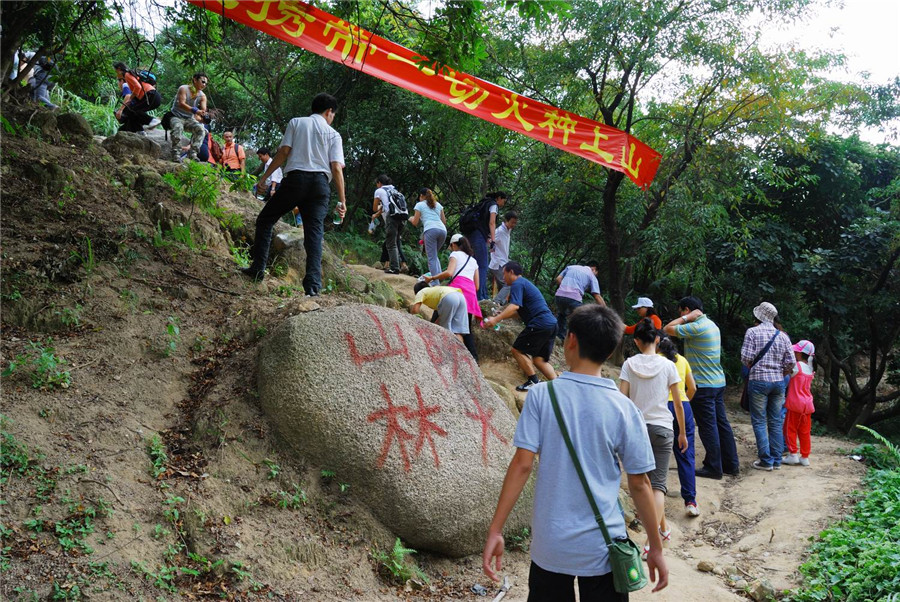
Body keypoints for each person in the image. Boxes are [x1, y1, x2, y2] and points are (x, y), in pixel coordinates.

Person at [482, 304, 668, 600]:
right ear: (610, 352)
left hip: (551, 546)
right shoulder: (624, 409)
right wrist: (655, 548)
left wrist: (496, 529)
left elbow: (521, 466)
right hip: (604, 547)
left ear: (570, 340)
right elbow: (640, 484)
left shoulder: (541, 396)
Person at [243, 93, 346, 295]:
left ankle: (258, 269)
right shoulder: (334, 135)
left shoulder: (296, 122)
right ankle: (313, 288)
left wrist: (263, 179)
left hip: (296, 180)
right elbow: (336, 168)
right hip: (320, 186)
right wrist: (342, 201)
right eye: (333, 114)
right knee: (314, 234)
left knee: (266, 219)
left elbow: (283, 153)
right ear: (329, 112)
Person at [619, 319, 687, 557]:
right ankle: (652, 541)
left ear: (637, 341)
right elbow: (678, 403)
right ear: (658, 339)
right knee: (657, 486)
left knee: (644, 484)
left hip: (637, 430)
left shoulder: (629, 364)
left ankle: (661, 530)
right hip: (663, 429)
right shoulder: (668, 365)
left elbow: (622, 401)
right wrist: (682, 432)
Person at [663, 296, 740, 479]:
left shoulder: (696, 326)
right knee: (722, 424)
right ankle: (730, 464)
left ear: (687, 310)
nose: (680, 315)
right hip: (717, 382)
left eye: (682, 312)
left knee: (707, 426)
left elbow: (666, 329)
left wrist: (685, 319)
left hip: (704, 385)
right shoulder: (712, 325)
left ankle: (714, 467)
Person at [482, 261, 557, 391]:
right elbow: (518, 312)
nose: (503, 278)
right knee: (539, 360)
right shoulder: (525, 284)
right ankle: (559, 388)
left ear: (511, 272)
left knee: (517, 350)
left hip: (539, 323)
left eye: (504, 274)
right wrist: (502, 315)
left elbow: (514, 306)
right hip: (550, 323)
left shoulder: (517, 283)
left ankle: (533, 381)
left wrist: (495, 319)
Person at [740, 302, 795, 471]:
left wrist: (755, 368)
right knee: (776, 421)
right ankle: (777, 460)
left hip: (758, 381)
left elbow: (745, 357)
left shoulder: (752, 332)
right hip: (778, 383)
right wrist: (780, 373)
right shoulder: (782, 335)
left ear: (758, 316)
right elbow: (791, 362)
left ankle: (766, 460)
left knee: (759, 420)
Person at [658, 335, 700, 517]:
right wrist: (684, 403)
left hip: (660, 407)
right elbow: (693, 388)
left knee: (657, 453)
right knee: (685, 453)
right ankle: (690, 501)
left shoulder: (655, 360)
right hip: (682, 406)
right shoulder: (682, 360)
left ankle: (655, 497)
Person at [424, 234, 482, 360]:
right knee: (464, 330)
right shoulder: (473, 261)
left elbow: (449, 273)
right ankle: (473, 360)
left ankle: (427, 348)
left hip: (455, 292)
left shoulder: (455, 254)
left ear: (454, 244)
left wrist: (432, 278)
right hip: (469, 296)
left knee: (436, 319)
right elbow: (477, 286)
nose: (451, 248)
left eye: (451, 246)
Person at [464, 191, 507, 300]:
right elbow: (492, 222)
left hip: (470, 235)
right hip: (478, 236)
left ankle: (469, 292)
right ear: (499, 198)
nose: (503, 204)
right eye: (503, 201)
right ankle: (481, 296)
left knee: (473, 264)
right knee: (482, 266)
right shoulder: (493, 205)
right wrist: (493, 241)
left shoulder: (483, 204)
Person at [554, 261, 606, 341]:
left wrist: (566, 289)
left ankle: (560, 337)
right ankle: (577, 342)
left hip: (559, 296)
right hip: (574, 298)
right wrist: (606, 311)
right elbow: (597, 296)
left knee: (562, 314)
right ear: (594, 269)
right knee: (581, 319)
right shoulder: (591, 275)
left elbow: (558, 279)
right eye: (596, 273)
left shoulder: (571, 267)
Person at [783, 340, 815, 467]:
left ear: (800, 354)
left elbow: (786, 371)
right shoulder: (810, 368)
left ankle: (792, 454)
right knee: (805, 431)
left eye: (796, 351)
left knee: (789, 429)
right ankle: (805, 457)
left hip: (795, 404)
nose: (794, 352)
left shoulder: (797, 366)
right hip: (807, 405)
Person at [408, 187, 446, 284]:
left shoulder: (419, 205)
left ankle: (435, 283)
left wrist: (411, 218)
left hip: (430, 230)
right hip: (442, 230)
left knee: (431, 258)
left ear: (421, 196)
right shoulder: (438, 205)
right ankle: (439, 276)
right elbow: (444, 221)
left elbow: (415, 222)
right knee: (434, 255)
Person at [169, 73, 209, 162]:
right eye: (202, 82)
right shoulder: (183, 88)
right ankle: (176, 154)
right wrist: (196, 111)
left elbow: (203, 109)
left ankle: (193, 154)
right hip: (176, 116)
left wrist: (204, 114)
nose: (204, 85)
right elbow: (181, 103)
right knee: (178, 127)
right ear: (195, 80)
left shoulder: (202, 95)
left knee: (201, 130)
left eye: (206, 83)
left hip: (189, 119)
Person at [112, 62, 162, 133]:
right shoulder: (130, 75)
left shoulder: (127, 74)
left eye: (116, 71)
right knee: (131, 111)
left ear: (119, 69)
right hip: (152, 97)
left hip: (151, 95)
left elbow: (138, 87)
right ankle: (140, 131)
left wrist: (130, 99)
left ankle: (152, 120)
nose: (116, 73)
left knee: (131, 110)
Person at [372, 175, 405, 274]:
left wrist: (377, 208)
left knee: (391, 244)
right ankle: (397, 265)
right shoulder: (395, 191)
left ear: (379, 183)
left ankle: (394, 268)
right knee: (395, 242)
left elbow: (374, 207)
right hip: (402, 218)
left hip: (392, 218)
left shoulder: (379, 191)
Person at [488, 211, 518, 304]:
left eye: (515, 222)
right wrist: (492, 248)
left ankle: (501, 305)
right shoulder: (500, 231)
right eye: (512, 222)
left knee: (503, 285)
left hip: (503, 262)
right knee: (508, 284)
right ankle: (495, 302)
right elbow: (489, 239)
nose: (514, 224)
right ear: (506, 221)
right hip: (498, 263)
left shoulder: (507, 230)